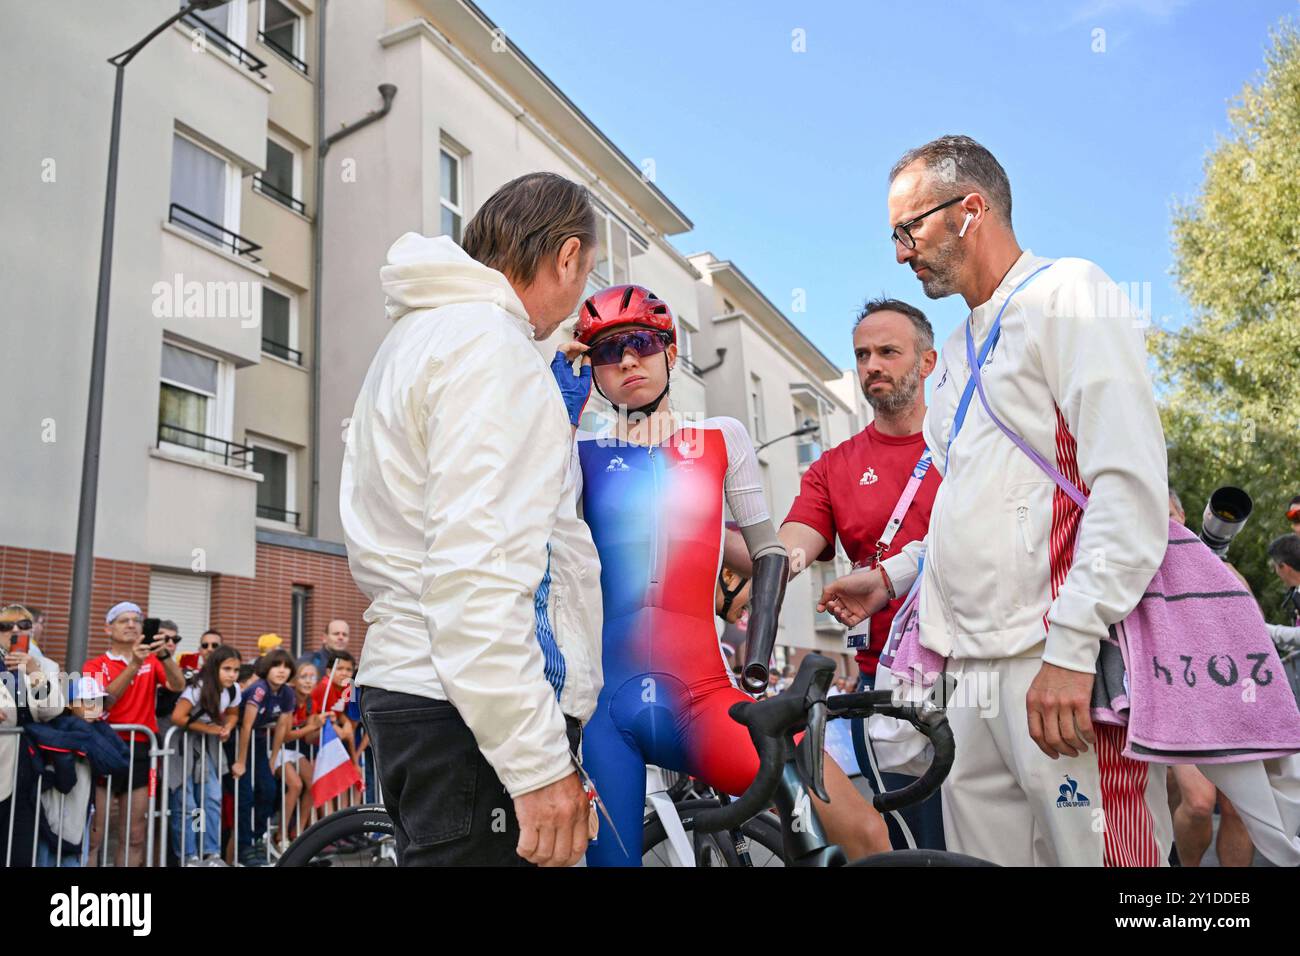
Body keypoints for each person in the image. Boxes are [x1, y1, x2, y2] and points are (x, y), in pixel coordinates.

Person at [821, 135, 1173, 866]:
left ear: (970, 209)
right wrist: (892, 576)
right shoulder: (952, 352)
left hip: (1054, 662)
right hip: (966, 681)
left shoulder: (1066, 293)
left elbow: (1128, 487)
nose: (899, 254)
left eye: (908, 229)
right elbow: (968, 508)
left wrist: (1073, 651)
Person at [565, 283, 889, 866]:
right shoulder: (576, 452)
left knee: (859, 830)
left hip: (703, 699)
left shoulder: (720, 436)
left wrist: (759, 660)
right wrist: (562, 385)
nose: (628, 361)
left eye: (640, 342)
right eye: (607, 353)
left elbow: (767, 552)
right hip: (603, 711)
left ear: (669, 350)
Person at [342, 172, 603, 867]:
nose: (580, 300)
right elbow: (476, 575)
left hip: (421, 691)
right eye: (587, 275)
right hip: (469, 713)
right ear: (568, 256)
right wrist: (538, 762)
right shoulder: (494, 352)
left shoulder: (420, 338)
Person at [725, 296, 944, 849]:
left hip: (981, 663)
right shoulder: (834, 466)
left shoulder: (969, 443)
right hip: (892, 683)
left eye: (888, 352)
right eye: (862, 354)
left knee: (1003, 836)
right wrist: (693, 530)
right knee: (916, 841)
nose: (872, 364)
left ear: (927, 362)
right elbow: (786, 548)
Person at [1165, 491, 1254, 866]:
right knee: (1200, 804)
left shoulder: (1220, 566)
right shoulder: (1134, 565)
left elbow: (1253, 628)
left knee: (1238, 810)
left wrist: (1216, 567)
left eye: (1169, 513)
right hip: (1175, 700)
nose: (1165, 522)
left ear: (1184, 515)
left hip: (1232, 701)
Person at [85, 601, 185, 867]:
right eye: (123, 620)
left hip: (141, 748)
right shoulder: (94, 664)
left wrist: (164, 655)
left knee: (136, 834)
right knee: (95, 834)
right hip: (104, 746)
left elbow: (177, 685)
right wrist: (133, 665)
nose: (131, 624)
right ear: (108, 628)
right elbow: (103, 703)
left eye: (136, 620)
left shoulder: (152, 661)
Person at [0, 603, 65, 866]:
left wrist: (34, 672)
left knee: (18, 851)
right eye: (6, 626)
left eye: (23, 625)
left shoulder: (45, 666)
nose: (15, 630)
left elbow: (51, 710)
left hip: (27, 769)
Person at [168, 646, 242, 866]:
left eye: (236, 670)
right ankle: (188, 855)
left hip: (205, 747)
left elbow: (233, 713)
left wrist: (227, 727)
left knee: (211, 799)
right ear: (214, 668)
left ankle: (210, 852)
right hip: (181, 746)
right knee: (187, 803)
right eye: (227, 669)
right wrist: (211, 729)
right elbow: (178, 716)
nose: (232, 674)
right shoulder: (198, 687)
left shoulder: (233, 689)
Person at [233, 648, 295, 866]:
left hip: (259, 745)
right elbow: (246, 726)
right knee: (245, 796)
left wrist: (273, 758)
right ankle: (244, 846)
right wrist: (240, 762)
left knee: (268, 789)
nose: (282, 671)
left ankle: (259, 838)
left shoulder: (287, 693)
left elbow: (281, 727)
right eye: (277, 665)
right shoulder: (258, 689)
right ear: (267, 667)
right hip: (238, 741)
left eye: (286, 667)